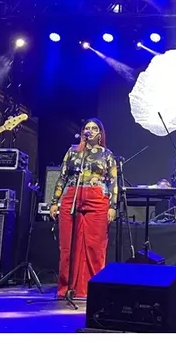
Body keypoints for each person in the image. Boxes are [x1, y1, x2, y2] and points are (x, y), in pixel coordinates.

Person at [49, 118, 118, 299]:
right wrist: (54, 202)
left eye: (94, 128)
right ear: (83, 132)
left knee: (95, 246)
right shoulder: (73, 151)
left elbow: (113, 182)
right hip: (72, 197)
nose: (90, 131)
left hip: (97, 200)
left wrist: (112, 206)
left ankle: (93, 288)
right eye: (87, 128)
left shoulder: (107, 154)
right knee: (67, 246)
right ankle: (67, 287)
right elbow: (62, 177)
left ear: (100, 133)